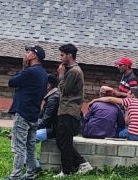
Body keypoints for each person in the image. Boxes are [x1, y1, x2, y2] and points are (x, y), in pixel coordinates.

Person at [7, 45, 48, 180]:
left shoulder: (29, 71)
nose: (26, 54)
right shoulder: (42, 73)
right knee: (30, 146)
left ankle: (15, 176)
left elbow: (11, 82)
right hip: (34, 113)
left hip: (23, 112)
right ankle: (30, 174)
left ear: (34, 56)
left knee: (18, 146)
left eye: (28, 52)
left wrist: (24, 67)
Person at [55, 43, 92, 176]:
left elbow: (64, 90)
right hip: (66, 110)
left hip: (69, 110)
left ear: (69, 56)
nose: (60, 58)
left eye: (62, 55)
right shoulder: (71, 70)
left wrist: (61, 75)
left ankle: (66, 171)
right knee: (62, 141)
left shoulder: (74, 72)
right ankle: (81, 164)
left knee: (64, 142)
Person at [35, 74, 61, 142]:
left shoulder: (53, 98)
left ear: (48, 85)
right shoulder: (52, 96)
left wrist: (34, 128)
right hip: (49, 128)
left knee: (25, 137)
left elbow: (46, 119)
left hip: (51, 130)